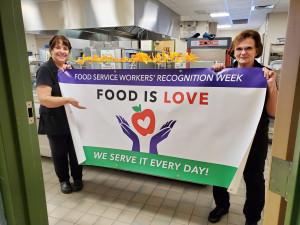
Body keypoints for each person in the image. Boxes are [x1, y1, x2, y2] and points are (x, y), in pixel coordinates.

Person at [208, 30, 278, 225]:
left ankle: (252, 218)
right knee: (221, 172)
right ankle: (222, 205)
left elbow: (273, 112)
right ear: (233, 51)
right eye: (239, 48)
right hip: (226, 134)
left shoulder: (265, 74)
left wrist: (271, 85)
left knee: (253, 178)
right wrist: (215, 72)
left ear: (257, 50)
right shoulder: (224, 73)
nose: (243, 52)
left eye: (248, 48)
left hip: (255, 137)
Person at [36, 35, 86, 194]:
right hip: (54, 120)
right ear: (51, 50)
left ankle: (78, 178)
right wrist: (68, 99)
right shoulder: (45, 70)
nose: (62, 51)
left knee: (76, 150)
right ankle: (64, 180)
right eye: (58, 47)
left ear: (69, 51)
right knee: (59, 153)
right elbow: (44, 99)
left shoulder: (70, 69)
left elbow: (81, 91)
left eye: (65, 48)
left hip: (72, 119)